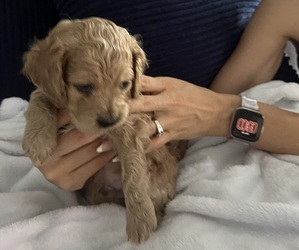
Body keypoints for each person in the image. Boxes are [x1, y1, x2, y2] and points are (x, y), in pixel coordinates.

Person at [2, 0, 299, 191]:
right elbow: (22, 89)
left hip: (268, 140)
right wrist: (52, 151)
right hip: (126, 157)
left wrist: (223, 115)